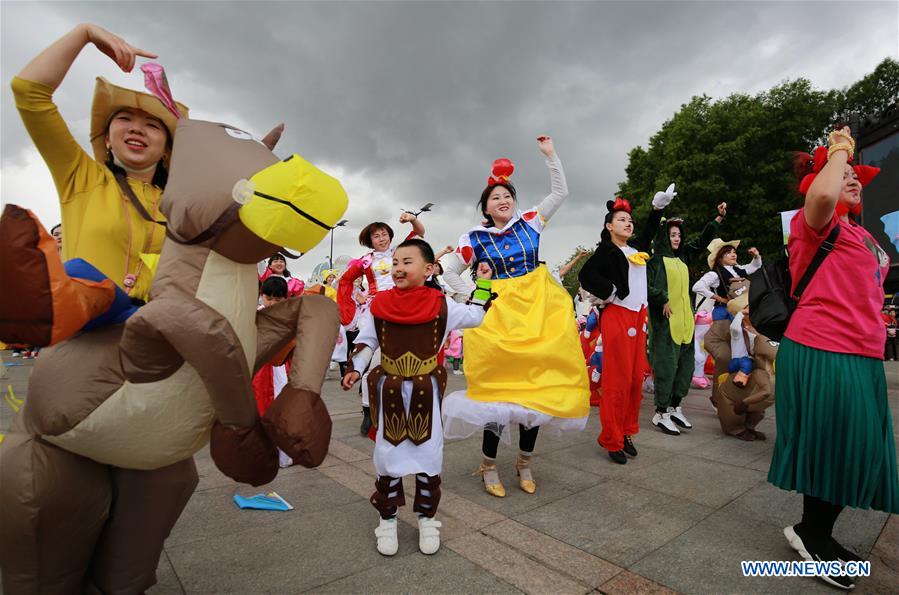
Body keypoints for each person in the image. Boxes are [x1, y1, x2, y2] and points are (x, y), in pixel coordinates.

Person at [768, 127, 897, 590]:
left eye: (856, 177)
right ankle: (812, 534)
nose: (851, 178)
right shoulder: (814, 222)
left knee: (858, 447)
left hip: (862, 350)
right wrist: (839, 151)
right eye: (844, 173)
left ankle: (816, 531)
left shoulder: (858, 233)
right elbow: (823, 192)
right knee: (834, 444)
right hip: (822, 346)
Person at [440, 136, 589, 496]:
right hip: (499, 321)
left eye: (508, 196)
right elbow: (447, 269)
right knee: (500, 397)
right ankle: (489, 465)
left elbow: (561, 192)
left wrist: (551, 155)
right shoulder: (474, 238)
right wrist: (474, 297)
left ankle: (525, 461)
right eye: (496, 198)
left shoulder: (531, 222)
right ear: (486, 207)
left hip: (539, 316)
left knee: (535, 395)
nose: (504, 201)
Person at [11, 24, 187, 305]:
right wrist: (85, 33)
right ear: (106, 139)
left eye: (152, 125)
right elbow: (28, 90)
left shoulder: (179, 204)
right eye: (124, 119)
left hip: (154, 339)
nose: (136, 129)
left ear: (167, 150)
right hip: (84, 339)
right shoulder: (81, 175)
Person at [342, 239, 493, 556]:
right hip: (391, 390)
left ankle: (427, 519)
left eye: (406, 262)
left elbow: (476, 316)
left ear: (428, 269)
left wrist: (483, 283)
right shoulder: (379, 304)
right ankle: (387, 519)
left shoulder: (442, 304)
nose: (398, 268)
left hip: (425, 391)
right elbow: (367, 341)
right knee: (388, 458)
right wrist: (355, 368)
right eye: (395, 262)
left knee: (428, 457)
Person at [578, 185, 675, 464]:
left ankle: (627, 431)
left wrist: (657, 209)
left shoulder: (636, 249)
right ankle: (611, 438)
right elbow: (587, 275)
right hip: (618, 316)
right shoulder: (606, 252)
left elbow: (648, 232)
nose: (628, 223)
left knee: (634, 379)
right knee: (616, 381)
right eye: (621, 220)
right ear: (609, 226)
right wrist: (609, 292)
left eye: (629, 220)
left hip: (639, 317)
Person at [339, 214, 426, 435]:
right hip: (378, 310)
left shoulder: (400, 250)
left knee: (408, 361)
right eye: (376, 236)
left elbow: (420, 233)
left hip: (404, 308)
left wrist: (412, 219)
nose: (382, 238)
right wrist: (354, 301)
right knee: (374, 364)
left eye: (384, 234)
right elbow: (346, 280)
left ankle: (404, 410)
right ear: (370, 241)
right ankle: (368, 411)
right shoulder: (365, 261)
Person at [646, 202, 725, 436]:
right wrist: (662, 299)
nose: (677, 239)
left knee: (685, 369)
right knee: (667, 368)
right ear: (664, 237)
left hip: (686, 323)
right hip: (666, 325)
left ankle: (674, 407)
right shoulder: (656, 261)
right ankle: (660, 412)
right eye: (672, 235)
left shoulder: (683, 259)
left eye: (679, 235)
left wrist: (717, 219)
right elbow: (646, 286)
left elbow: (701, 241)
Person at [250, 277, 294, 468]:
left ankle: (282, 453)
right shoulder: (255, 315)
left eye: (278, 300)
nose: (272, 303)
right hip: (261, 371)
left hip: (282, 369)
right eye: (269, 298)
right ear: (262, 296)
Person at [692, 240, 761, 321]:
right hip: (723, 311)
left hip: (742, 309)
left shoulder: (739, 269)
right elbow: (697, 287)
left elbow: (755, 266)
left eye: (734, 252)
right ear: (720, 258)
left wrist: (756, 256)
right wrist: (721, 299)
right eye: (728, 253)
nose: (733, 255)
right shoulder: (714, 274)